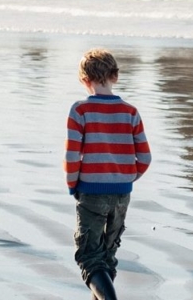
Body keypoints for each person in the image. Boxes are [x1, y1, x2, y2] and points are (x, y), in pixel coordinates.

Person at [64, 49, 151, 300]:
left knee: (89, 256)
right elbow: (144, 158)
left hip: (90, 191)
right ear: (115, 76)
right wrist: (125, 179)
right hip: (122, 194)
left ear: (84, 80)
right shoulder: (131, 112)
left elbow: (72, 156)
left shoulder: (80, 110)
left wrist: (73, 185)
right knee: (108, 254)